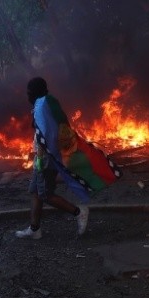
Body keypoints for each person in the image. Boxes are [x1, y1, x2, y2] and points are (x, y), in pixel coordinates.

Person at [15, 77, 122, 239]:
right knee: (36, 192)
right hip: (42, 156)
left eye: (29, 92)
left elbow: (49, 134)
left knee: (45, 194)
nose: (27, 95)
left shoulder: (43, 106)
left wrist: (43, 156)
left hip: (46, 158)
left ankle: (78, 212)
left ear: (34, 92)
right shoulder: (46, 103)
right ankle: (34, 229)